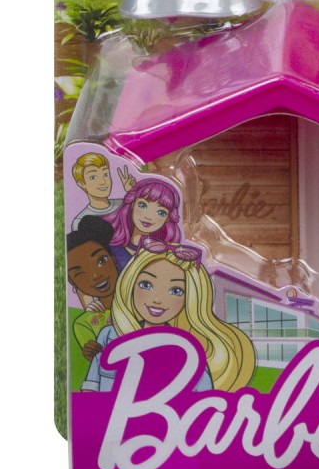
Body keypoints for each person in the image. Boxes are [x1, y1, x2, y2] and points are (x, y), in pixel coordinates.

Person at [81, 238, 256, 393]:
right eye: (146, 285)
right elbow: (89, 394)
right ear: (130, 284)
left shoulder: (189, 352)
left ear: (190, 299)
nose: (158, 299)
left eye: (176, 290)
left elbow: (202, 401)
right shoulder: (110, 336)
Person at [66, 216, 119, 362]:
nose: (95, 275)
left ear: (113, 259)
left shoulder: (140, 304)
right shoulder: (84, 323)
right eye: (79, 272)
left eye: (101, 260)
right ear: (72, 281)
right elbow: (95, 360)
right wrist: (90, 350)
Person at [70, 152, 136, 228]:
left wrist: (132, 191)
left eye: (106, 175)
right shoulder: (80, 221)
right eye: (93, 177)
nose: (103, 182)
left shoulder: (124, 204)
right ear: (82, 184)